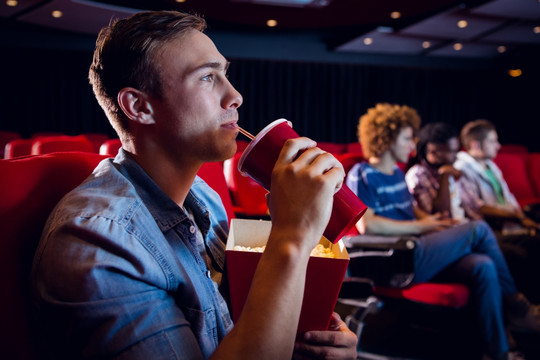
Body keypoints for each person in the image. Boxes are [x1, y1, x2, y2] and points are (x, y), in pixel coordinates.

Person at [30, 10, 357, 360]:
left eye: (224, 74)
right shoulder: (100, 243)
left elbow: (238, 328)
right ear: (139, 106)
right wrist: (291, 235)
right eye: (206, 78)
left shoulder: (204, 197)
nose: (235, 96)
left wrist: (302, 343)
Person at [345, 103, 540, 360]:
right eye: (406, 138)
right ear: (387, 138)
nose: (412, 145)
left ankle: (499, 352)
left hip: (415, 249)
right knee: (478, 229)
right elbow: (367, 225)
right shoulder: (362, 173)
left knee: (483, 265)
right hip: (392, 259)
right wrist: (422, 226)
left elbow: (414, 212)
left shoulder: (395, 175)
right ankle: (518, 307)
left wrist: (437, 223)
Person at [406, 121, 540, 306]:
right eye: (448, 151)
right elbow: (440, 215)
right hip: (453, 237)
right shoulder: (418, 174)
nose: (454, 157)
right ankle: (519, 309)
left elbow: (473, 207)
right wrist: (445, 178)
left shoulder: (456, 170)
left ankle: (529, 312)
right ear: (432, 151)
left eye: (455, 151)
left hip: (477, 231)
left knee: (533, 245)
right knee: (517, 256)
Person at [454, 119, 540, 236]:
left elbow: (508, 196)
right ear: (476, 145)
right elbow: (477, 208)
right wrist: (519, 217)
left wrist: (521, 216)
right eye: (492, 141)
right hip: (489, 230)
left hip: (510, 223)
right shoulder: (461, 168)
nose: (498, 146)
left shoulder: (490, 165)